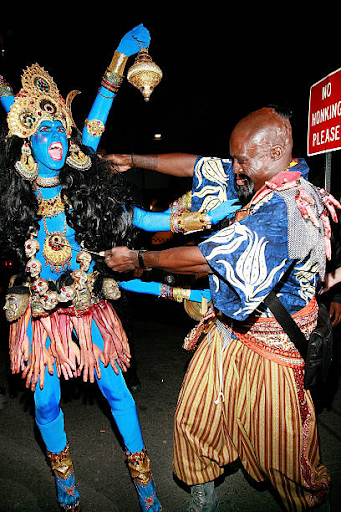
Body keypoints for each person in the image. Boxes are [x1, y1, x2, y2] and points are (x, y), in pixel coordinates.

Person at [0, 24, 241, 511]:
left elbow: (149, 216)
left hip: (90, 315)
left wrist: (209, 215)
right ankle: (66, 484)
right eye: (44, 129)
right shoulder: (18, 206)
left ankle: (145, 485)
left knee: (118, 393)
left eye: (60, 131)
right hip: (41, 321)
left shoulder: (90, 199)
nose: (56, 137)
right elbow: (90, 123)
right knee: (45, 403)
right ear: (27, 144)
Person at [102, 107, 339, 511]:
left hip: (273, 350)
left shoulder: (287, 207)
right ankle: (203, 492)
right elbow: (199, 165)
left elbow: (208, 260)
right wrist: (133, 160)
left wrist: (140, 260)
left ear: (277, 149)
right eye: (234, 159)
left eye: (241, 160)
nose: (234, 169)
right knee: (194, 416)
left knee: (281, 451)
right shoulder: (261, 174)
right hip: (228, 332)